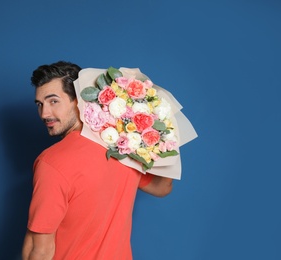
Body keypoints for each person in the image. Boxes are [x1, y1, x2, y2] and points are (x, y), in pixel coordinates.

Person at [22, 61, 173, 260]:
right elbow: (163, 187)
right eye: (39, 104)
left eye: (53, 101)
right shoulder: (122, 147)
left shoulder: (51, 162)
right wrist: (165, 136)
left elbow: (40, 250)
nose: (44, 114)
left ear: (78, 100)